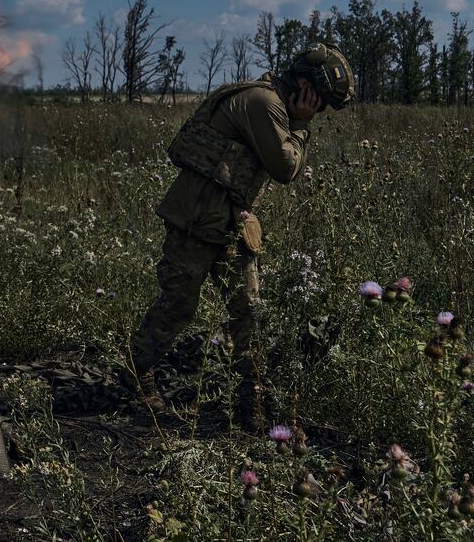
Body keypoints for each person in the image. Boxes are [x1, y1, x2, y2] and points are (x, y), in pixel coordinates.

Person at [123, 42, 355, 425]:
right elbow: (285, 167)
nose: (321, 110)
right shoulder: (264, 103)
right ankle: (137, 372)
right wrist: (300, 125)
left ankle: (252, 400)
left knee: (248, 312)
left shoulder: (271, 101)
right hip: (196, 221)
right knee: (178, 304)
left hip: (231, 222)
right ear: (305, 84)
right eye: (322, 101)